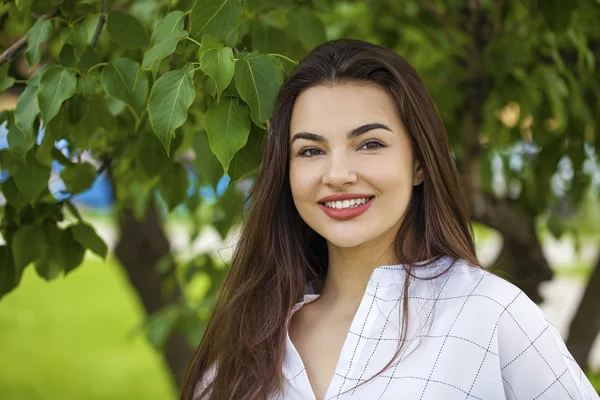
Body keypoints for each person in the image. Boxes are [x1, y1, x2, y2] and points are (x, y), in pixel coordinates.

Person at [181, 39, 599, 400]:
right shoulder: (249, 336)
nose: (338, 174)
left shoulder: (489, 315)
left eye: (370, 144)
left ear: (419, 162)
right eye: (311, 150)